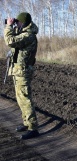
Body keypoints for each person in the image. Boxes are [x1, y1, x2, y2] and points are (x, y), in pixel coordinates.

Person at [4, 12, 39, 140]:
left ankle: (33, 128)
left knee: (25, 98)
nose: (15, 23)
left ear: (23, 23)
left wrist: (8, 27)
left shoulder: (28, 35)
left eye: (17, 22)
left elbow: (10, 41)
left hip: (23, 72)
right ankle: (26, 122)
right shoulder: (23, 33)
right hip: (18, 71)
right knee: (20, 99)